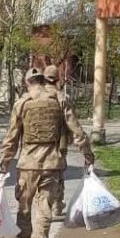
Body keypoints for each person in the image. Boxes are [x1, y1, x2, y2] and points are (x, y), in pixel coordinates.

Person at [0, 67, 94, 238]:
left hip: (27, 165)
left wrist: (3, 163)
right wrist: (88, 155)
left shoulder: (22, 103)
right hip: (52, 164)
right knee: (44, 209)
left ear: (27, 82)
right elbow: (77, 131)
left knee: (24, 209)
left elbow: (11, 138)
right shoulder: (59, 99)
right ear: (43, 80)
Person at [43, 64, 82, 217]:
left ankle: (44, 205)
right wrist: (84, 147)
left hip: (37, 145)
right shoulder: (62, 98)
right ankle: (57, 206)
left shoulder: (33, 97)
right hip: (59, 144)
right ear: (58, 80)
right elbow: (72, 124)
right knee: (57, 175)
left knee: (41, 175)